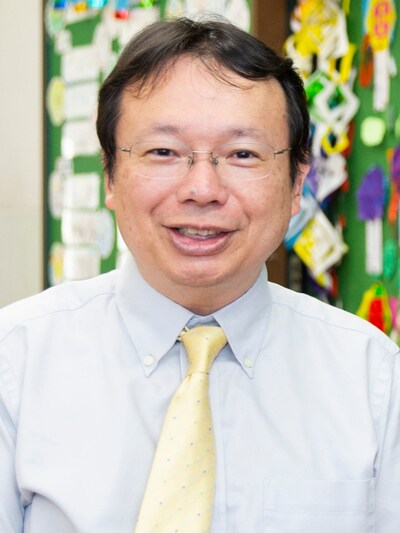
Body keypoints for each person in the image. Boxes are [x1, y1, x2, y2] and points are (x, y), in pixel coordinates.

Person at [0, 16, 399, 533]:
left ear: (297, 182)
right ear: (110, 176)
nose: (203, 190)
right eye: (163, 152)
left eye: (243, 154)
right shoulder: (16, 363)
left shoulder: (372, 378)